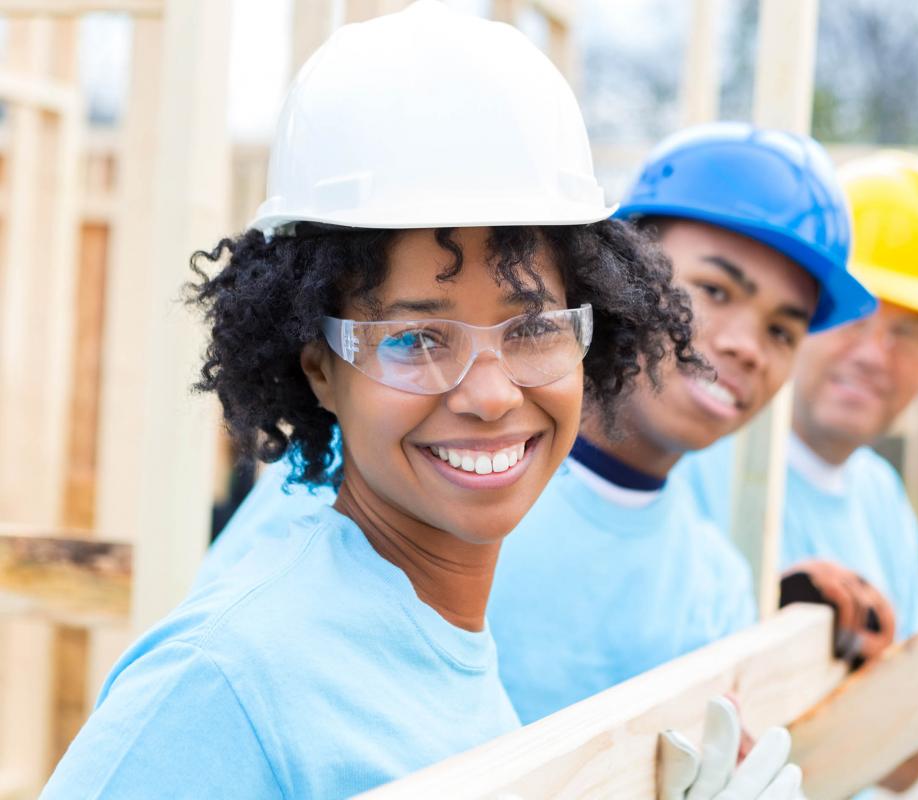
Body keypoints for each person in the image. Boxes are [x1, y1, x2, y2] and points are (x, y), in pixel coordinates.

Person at [41, 5, 749, 798]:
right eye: (416, 341)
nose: (490, 394)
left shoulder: (436, 636)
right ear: (318, 368)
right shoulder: (226, 683)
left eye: (535, 328)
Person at [194, 122, 879, 723]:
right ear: (625, 276)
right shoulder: (403, 480)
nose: (745, 344)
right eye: (715, 290)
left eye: (784, 331)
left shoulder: (715, 585)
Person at [685, 150, 918, 794]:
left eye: (913, 331)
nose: (876, 355)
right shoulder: (698, 460)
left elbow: (907, 769)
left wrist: (881, 680)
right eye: (860, 318)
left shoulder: (881, 498)